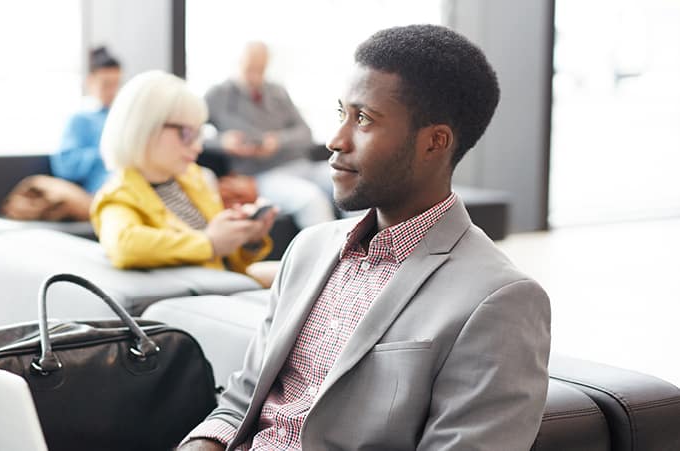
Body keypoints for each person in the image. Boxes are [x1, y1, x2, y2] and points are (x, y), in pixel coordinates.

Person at [180, 25, 551, 450]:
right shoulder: (308, 249)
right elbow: (242, 400)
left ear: (434, 142)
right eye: (342, 114)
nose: (335, 140)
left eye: (363, 119)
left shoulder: (501, 299)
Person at [91, 70, 278, 282]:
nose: (198, 147)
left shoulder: (194, 179)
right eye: (187, 134)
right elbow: (124, 245)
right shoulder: (119, 196)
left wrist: (247, 239)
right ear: (145, 129)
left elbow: (226, 262)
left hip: (223, 286)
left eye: (200, 134)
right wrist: (209, 242)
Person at [204, 41, 336, 229]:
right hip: (262, 176)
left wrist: (278, 141)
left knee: (355, 184)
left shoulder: (278, 91)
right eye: (250, 68)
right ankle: (333, 259)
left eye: (261, 69)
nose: (255, 76)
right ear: (238, 62)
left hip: (302, 166)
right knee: (311, 200)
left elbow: (305, 133)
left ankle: (370, 251)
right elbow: (191, 136)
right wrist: (223, 143)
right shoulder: (217, 95)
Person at [50, 46, 122, 193]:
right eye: (106, 84)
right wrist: (104, 153)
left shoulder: (123, 117)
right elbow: (65, 165)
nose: (112, 91)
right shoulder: (80, 120)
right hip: (107, 188)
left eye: (116, 84)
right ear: (91, 81)